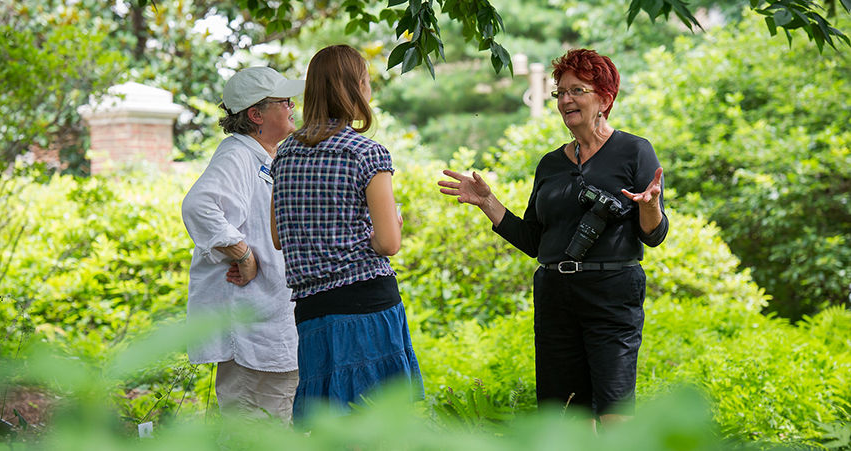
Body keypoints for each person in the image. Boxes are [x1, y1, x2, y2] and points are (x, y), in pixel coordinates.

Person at [438, 48, 668, 425]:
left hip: (612, 293)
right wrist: (487, 202)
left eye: (577, 90)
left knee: (614, 414)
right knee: (562, 416)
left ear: (605, 99)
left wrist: (649, 205)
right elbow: (534, 240)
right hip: (555, 295)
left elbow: (654, 235)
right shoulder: (550, 163)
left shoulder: (634, 151)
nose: (565, 100)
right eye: (559, 92)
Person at [269, 44, 424, 422]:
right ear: (355, 87)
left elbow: (278, 237)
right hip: (366, 307)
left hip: (312, 312)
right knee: (373, 426)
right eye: (367, 81)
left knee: (330, 428)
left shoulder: (285, 153)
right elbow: (389, 243)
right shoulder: (365, 153)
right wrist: (377, 231)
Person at [182, 66, 304, 423]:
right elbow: (199, 205)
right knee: (258, 427)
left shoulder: (263, 157)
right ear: (256, 114)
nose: (293, 106)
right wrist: (243, 254)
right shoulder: (237, 155)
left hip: (265, 320)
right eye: (284, 101)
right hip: (251, 325)